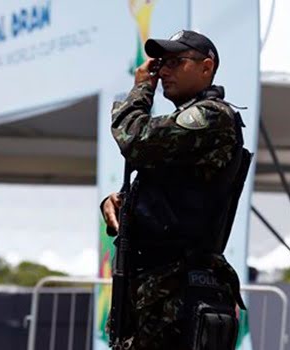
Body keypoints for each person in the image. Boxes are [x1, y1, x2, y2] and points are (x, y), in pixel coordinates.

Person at [101, 30, 251, 349]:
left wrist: (142, 87)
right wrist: (116, 204)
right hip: (155, 289)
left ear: (206, 67)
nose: (163, 71)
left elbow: (135, 139)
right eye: (160, 64)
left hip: (179, 292)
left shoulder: (213, 116)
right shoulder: (183, 122)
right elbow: (170, 195)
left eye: (175, 62)